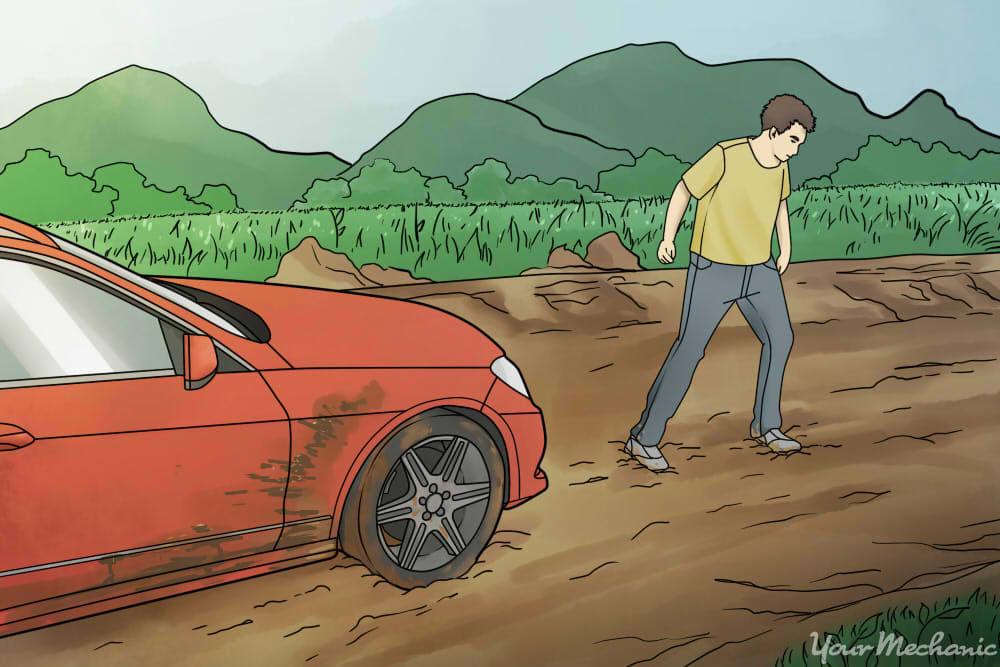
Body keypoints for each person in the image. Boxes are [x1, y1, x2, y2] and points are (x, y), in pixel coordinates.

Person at [624, 94, 816, 473]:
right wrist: (668, 236)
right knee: (690, 349)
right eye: (793, 140)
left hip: (759, 271)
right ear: (773, 131)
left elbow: (780, 204)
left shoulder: (779, 164)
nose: (795, 151)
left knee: (780, 339)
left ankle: (767, 426)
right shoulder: (725, 156)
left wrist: (786, 246)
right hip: (714, 269)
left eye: (800, 144)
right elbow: (684, 189)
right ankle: (644, 438)